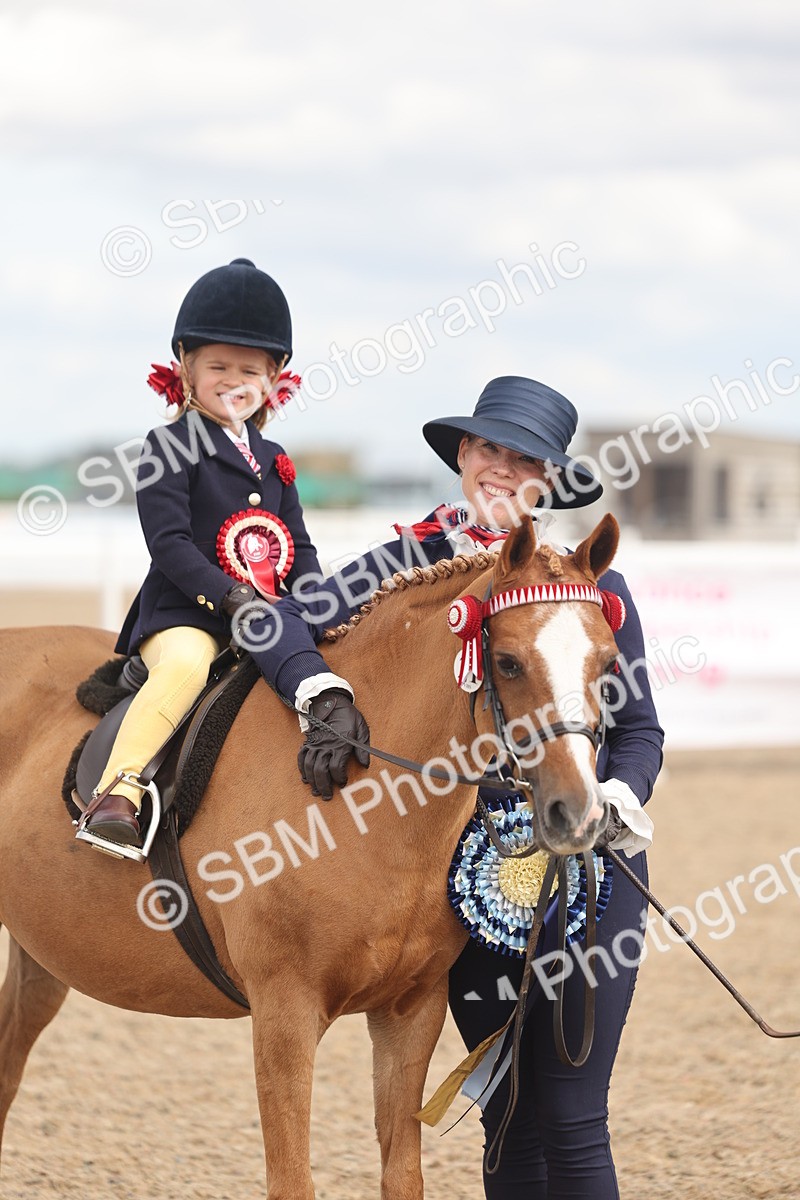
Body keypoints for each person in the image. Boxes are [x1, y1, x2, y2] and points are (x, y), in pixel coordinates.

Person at [249, 375, 664, 1199]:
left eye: (525, 458)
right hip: (464, 880)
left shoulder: (595, 588)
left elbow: (640, 730)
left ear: (549, 477)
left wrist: (621, 794)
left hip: (578, 858)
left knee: (575, 1116)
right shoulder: (409, 560)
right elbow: (301, 617)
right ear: (463, 456)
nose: (502, 469)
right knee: (505, 1111)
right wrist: (316, 693)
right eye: (487, 449)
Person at [78, 258, 322, 854]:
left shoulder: (274, 456)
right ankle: (119, 790)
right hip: (186, 614)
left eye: (249, 370)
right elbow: (169, 545)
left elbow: (299, 544)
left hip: (266, 617)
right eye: (217, 367)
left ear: (273, 379)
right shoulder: (169, 445)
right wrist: (232, 596)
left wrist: (320, 597)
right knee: (187, 663)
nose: (232, 380)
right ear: (186, 368)